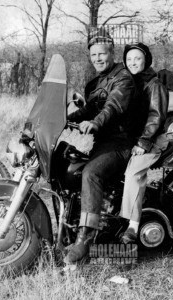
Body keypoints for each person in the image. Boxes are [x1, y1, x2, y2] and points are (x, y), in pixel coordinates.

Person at [64, 29, 140, 263]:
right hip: (103, 142)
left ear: (112, 52)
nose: (97, 58)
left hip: (121, 142)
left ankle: (85, 239)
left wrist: (96, 123)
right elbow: (91, 108)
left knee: (91, 172)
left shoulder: (123, 78)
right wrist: (67, 118)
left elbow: (112, 106)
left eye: (102, 54)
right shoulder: (94, 83)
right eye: (93, 55)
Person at [118, 43, 169, 244]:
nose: (133, 62)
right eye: (129, 59)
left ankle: (133, 226)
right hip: (135, 138)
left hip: (152, 138)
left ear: (146, 60)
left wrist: (144, 142)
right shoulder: (130, 82)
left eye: (137, 58)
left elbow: (156, 117)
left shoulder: (154, 84)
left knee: (133, 173)